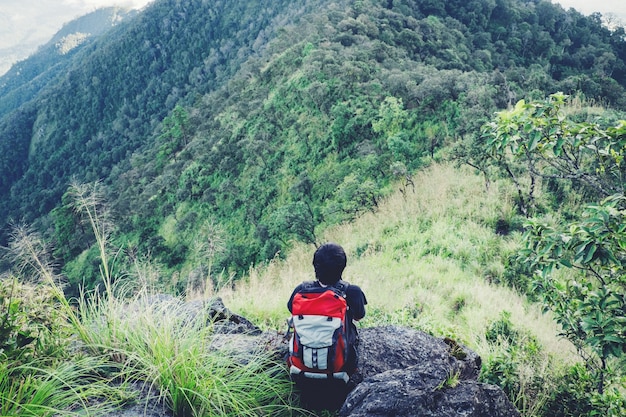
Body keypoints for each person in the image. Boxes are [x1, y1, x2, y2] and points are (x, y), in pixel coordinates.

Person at [287, 242, 368, 411]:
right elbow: (359, 316)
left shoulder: (301, 290)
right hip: (337, 372)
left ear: (315, 266)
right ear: (343, 267)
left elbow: (290, 309)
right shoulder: (351, 291)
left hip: (301, 369)